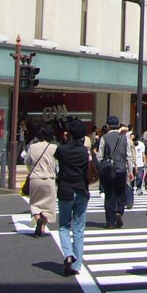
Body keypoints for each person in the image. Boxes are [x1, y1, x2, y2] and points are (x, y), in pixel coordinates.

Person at [55, 118, 90, 276]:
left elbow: (57, 159)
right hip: (81, 190)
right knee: (79, 229)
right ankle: (77, 265)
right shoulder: (84, 151)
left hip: (65, 190)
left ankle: (68, 254)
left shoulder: (61, 150)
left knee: (64, 225)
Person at [97, 116, 131, 228]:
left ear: (108, 126)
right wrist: (130, 170)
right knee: (121, 193)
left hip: (108, 170)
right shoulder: (125, 138)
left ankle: (110, 222)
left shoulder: (104, 138)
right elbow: (128, 156)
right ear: (118, 125)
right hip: (121, 169)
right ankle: (119, 211)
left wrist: (100, 169)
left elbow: (100, 156)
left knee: (109, 195)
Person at [25, 123, 58, 238]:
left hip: (35, 178)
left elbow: (27, 161)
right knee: (49, 206)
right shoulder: (53, 148)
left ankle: (38, 219)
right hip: (49, 178)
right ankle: (43, 226)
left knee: (35, 203)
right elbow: (58, 164)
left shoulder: (32, 147)